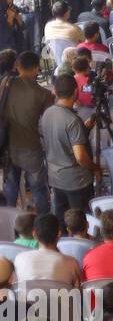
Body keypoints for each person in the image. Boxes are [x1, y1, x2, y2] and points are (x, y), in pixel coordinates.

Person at [4, 51, 53, 214]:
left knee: (10, 189)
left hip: (8, 146)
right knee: (39, 190)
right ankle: (44, 227)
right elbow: (47, 122)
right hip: (31, 147)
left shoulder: (5, 83)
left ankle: (7, 226)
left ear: (18, 67)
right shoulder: (44, 94)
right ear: (36, 69)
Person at [40, 74, 96, 217]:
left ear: (56, 92)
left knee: (62, 223)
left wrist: (84, 129)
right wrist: (95, 168)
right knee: (81, 224)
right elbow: (80, 157)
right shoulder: (72, 120)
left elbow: (57, 138)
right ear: (76, 92)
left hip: (55, 179)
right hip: (77, 182)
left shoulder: (47, 114)